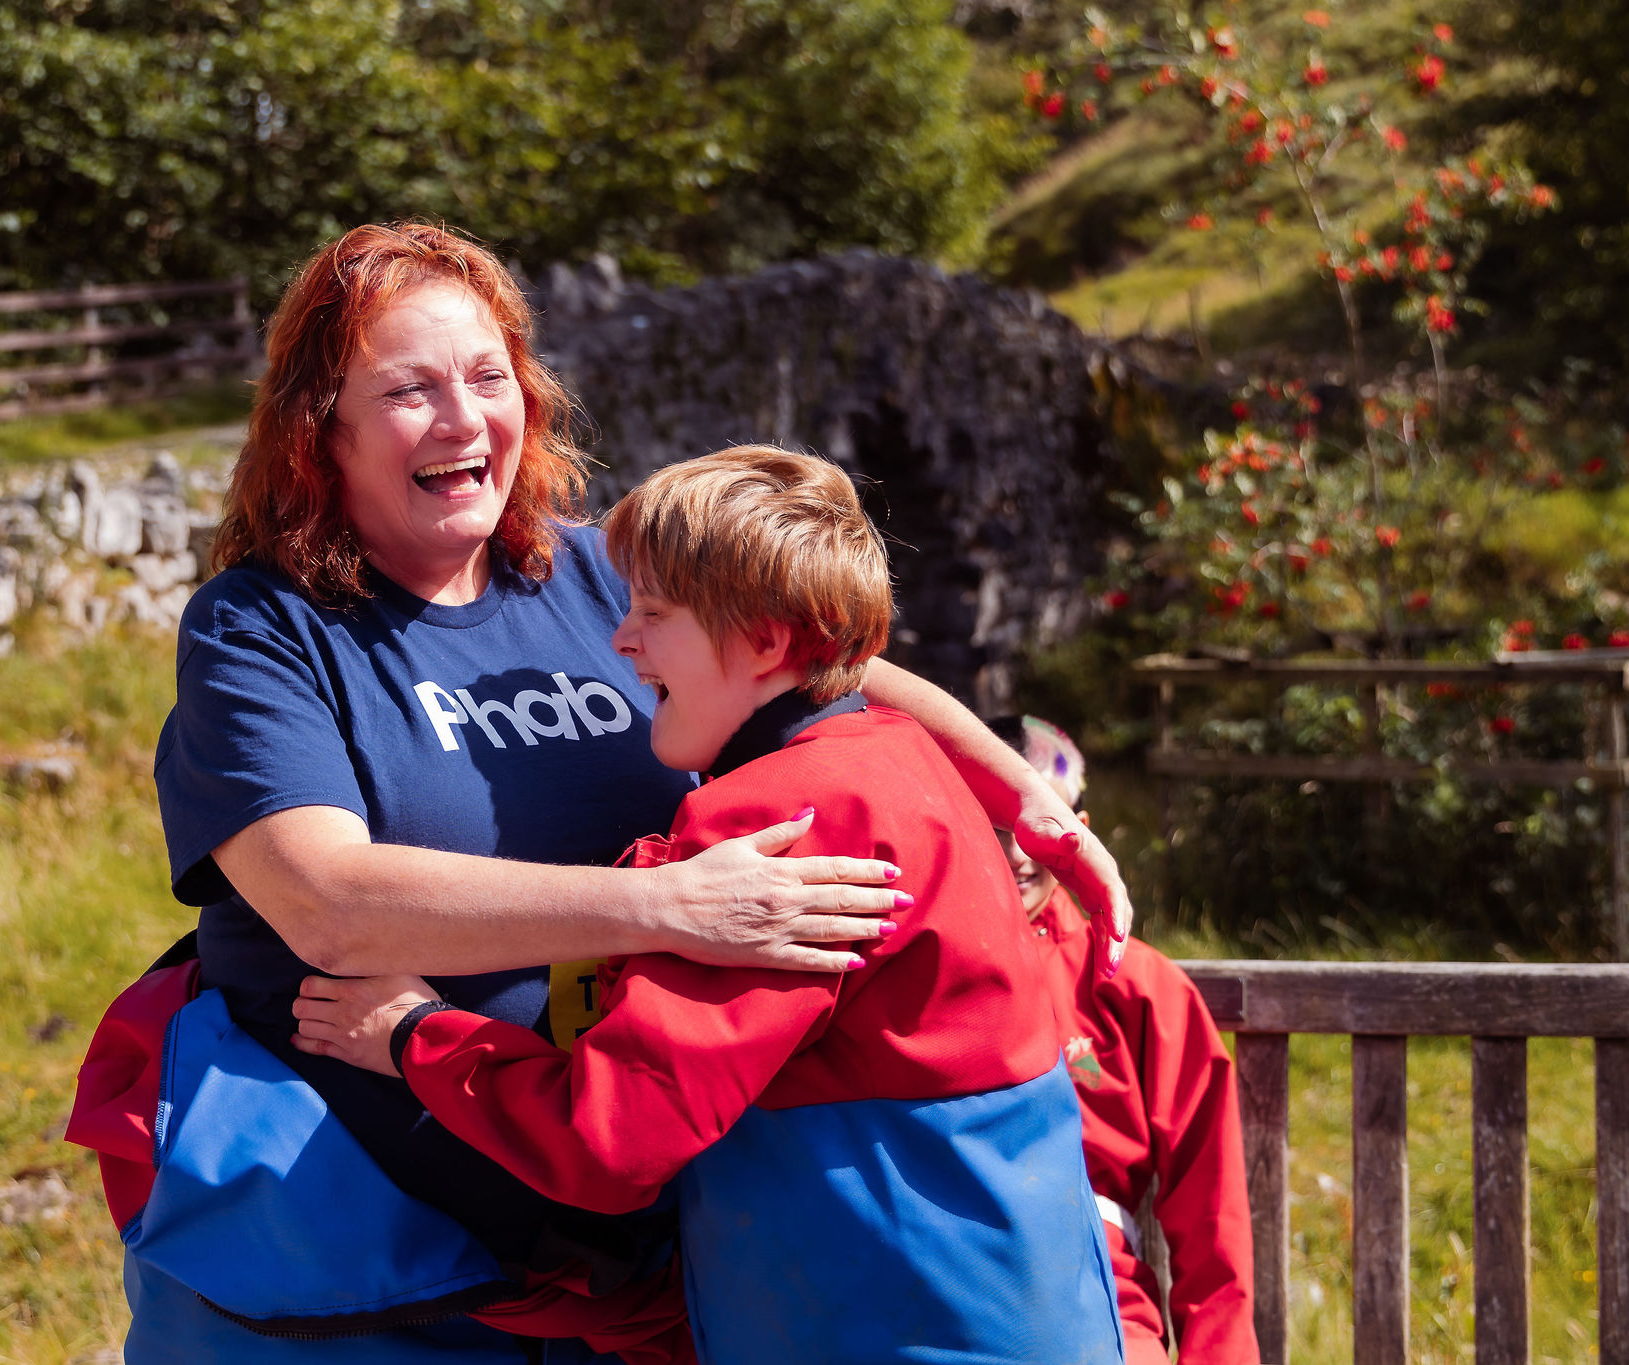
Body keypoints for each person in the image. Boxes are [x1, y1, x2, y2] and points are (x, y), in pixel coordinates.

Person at [67, 223, 1134, 1364]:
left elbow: (819, 655)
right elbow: (325, 904)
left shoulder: (591, 570)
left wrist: (1030, 802)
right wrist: (664, 907)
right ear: (315, 425)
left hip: (630, 1255)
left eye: (487, 377)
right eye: (408, 390)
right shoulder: (262, 629)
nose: (463, 418)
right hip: (354, 1266)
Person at [292, 447, 1126, 1365]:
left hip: (887, 1329)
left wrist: (416, 1034)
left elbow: (608, 1138)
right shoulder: (902, 762)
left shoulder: (784, 821)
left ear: (767, 642)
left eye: (653, 611)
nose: (622, 640)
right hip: (1028, 1310)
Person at [990, 716, 1260, 1365]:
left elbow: (1211, 1220)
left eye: (1044, 821)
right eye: (995, 818)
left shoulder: (1137, 985)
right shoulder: (912, 975)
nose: (1019, 850)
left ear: (1081, 829)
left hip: (1099, 1308)